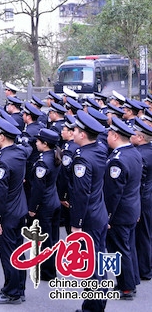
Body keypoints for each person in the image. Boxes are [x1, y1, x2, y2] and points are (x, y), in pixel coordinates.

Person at [70, 110, 109, 312]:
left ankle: (93, 308)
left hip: (90, 219)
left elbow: (81, 194)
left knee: (91, 266)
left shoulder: (83, 159)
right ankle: (96, 304)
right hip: (99, 213)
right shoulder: (100, 148)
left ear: (83, 134)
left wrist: (76, 225)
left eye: (75, 130)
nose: (72, 132)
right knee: (99, 262)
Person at [0, 117, 28, 305]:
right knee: (19, 252)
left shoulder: (3, 160)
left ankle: (11, 292)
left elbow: (0, 193)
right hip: (20, 209)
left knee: (9, 254)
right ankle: (19, 288)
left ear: (3, 137)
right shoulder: (19, 153)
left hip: (8, 213)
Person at [104, 117, 142, 300]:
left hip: (119, 213)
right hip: (131, 208)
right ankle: (131, 281)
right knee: (128, 248)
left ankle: (126, 287)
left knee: (120, 250)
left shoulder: (117, 160)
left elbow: (113, 194)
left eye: (109, 134)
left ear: (115, 135)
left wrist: (107, 217)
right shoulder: (134, 153)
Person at [27, 128, 62, 281]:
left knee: (45, 239)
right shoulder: (54, 156)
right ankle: (51, 269)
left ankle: (47, 272)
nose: (36, 143)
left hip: (44, 204)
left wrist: (33, 208)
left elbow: (38, 189)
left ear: (45, 144)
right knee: (53, 238)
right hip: (53, 201)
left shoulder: (43, 162)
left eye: (38, 141)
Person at [132, 117, 152, 281]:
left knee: (142, 235)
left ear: (141, 138)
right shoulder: (149, 151)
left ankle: (144, 269)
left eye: (134, 134)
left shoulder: (141, 156)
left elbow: (139, 183)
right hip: (149, 196)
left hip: (144, 199)